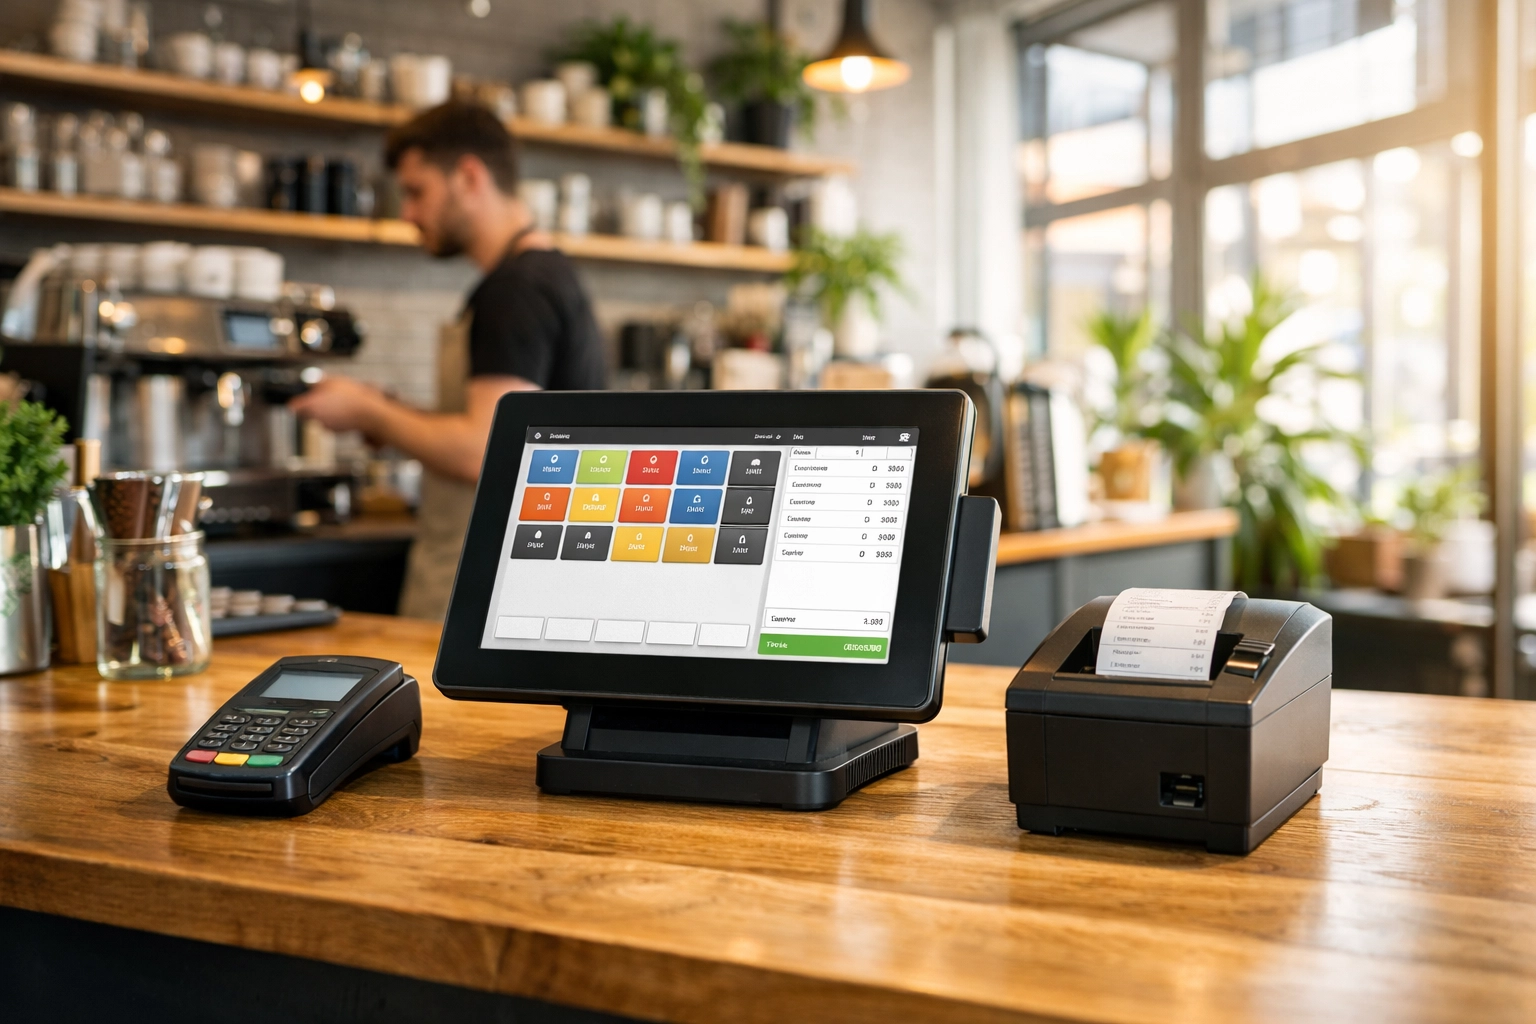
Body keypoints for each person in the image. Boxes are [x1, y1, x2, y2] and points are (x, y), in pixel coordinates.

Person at [290, 102, 606, 620]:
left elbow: (484, 450)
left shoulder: (516, 291)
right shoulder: (542, 277)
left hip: (491, 587)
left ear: (468, 176)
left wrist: (371, 411)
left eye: (417, 192)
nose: (408, 213)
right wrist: (390, 412)